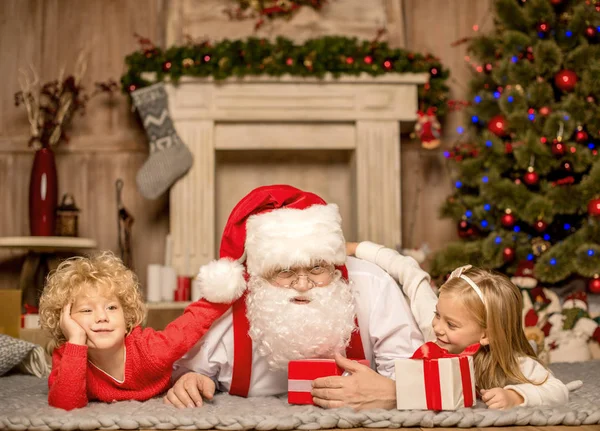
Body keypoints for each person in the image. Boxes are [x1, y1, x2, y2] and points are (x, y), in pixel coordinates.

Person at [164, 185, 429, 409]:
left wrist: (394, 392)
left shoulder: (373, 285)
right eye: (285, 271)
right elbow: (186, 371)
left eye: (316, 267)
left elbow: (421, 377)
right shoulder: (228, 306)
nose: (302, 285)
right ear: (258, 275)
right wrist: (190, 381)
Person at [313, 242, 569, 410]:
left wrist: (517, 397)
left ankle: (536, 345)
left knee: (534, 365)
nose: (438, 327)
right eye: (438, 315)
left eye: (451, 324)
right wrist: (356, 247)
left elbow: (557, 390)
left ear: (486, 334)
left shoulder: (511, 363)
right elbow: (407, 271)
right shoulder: (432, 327)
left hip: (511, 358)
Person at [39, 252, 230, 410]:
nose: (102, 317)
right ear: (65, 320)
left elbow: (191, 323)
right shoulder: (69, 354)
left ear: (126, 315)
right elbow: (65, 404)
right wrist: (75, 340)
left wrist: (227, 287)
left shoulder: (148, 349)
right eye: (87, 310)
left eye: (112, 308)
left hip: (191, 366)